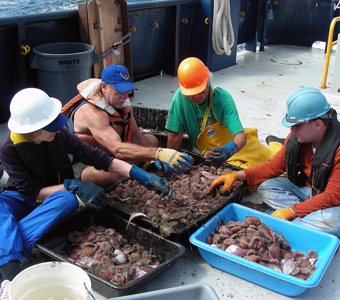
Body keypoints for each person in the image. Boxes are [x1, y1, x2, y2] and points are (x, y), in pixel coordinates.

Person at [0, 88, 172, 281]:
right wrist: (75, 185)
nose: (58, 128)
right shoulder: (8, 148)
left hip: (56, 198)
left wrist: (140, 175)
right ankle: (10, 271)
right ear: (33, 131)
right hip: (24, 197)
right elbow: (33, 192)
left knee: (68, 201)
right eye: (51, 126)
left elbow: (100, 159)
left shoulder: (59, 135)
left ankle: (8, 245)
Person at [210, 87, 340, 236]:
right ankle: (308, 222)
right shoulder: (297, 137)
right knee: (266, 187)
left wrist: (291, 211)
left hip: (332, 201)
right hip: (308, 190)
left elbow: (332, 196)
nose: (292, 129)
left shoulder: (337, 148)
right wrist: (238, 175)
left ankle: (293, 221)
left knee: (334, 222)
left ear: (317, 124)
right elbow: (273, 166)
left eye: (297, 125)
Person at [61, 64, 193, 174]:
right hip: (84, 163)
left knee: (152, 141)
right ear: (104, 87)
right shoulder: (91, 113)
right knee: (116, 174)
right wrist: (157, 154)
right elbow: (117, 149)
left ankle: (137, 167)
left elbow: (136, 134)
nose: (124, 96)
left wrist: (155, 159)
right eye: (119, 91)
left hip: (109, 154)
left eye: (127, 91)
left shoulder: (120, 101)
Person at [165, 57, 281, 169]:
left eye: (200, 91)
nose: (196, 97)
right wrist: (167, 160)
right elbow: (175, 136)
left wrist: (229, 150)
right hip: (210, 153)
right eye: (191, 94)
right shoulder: (179, 99)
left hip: (237, 149)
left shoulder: (223, 99)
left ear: (208, 82)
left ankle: (276, 143)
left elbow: (241, 138)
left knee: (268, 165)